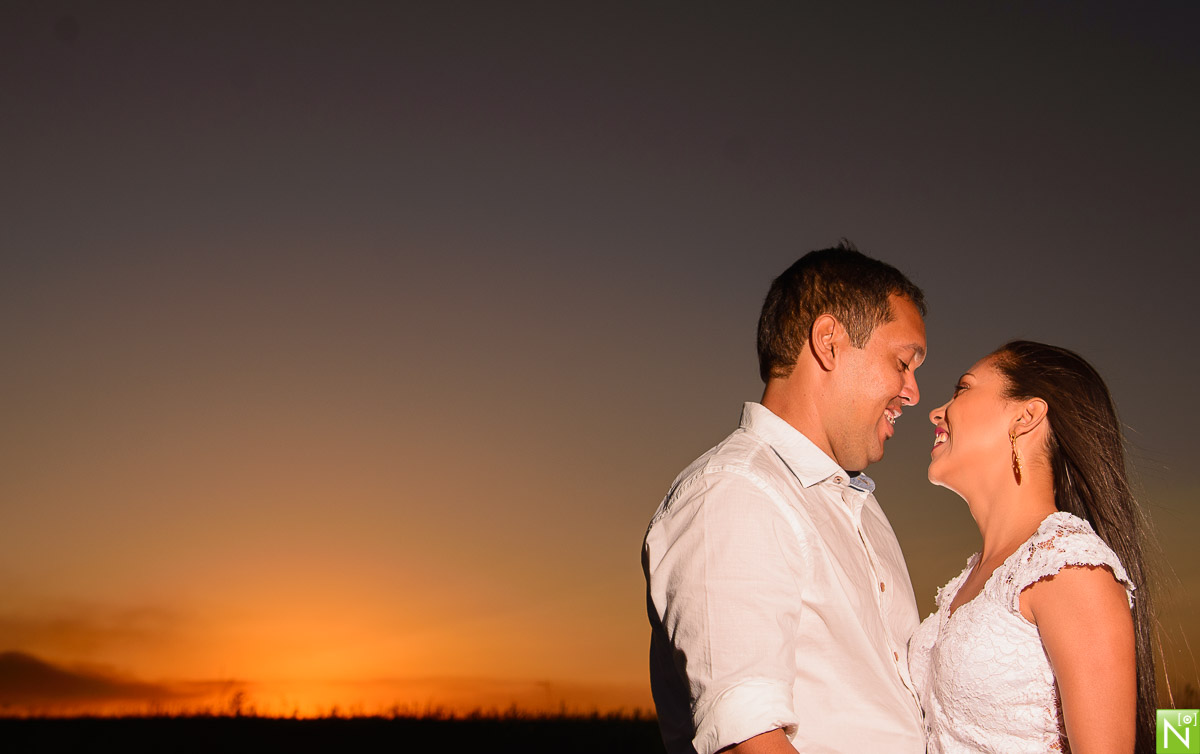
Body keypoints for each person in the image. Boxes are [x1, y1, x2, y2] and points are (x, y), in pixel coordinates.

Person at [642, 242, 929, 754]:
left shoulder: (860, 506)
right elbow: (748, 739)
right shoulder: (734, 493)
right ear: (829, 343)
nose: (913, 392)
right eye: (903, 361)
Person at [908, 340, 1156, 753]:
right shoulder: (971, 578)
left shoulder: (1069, 566)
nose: (937, 411)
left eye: (962, 389)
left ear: (1026, 416)